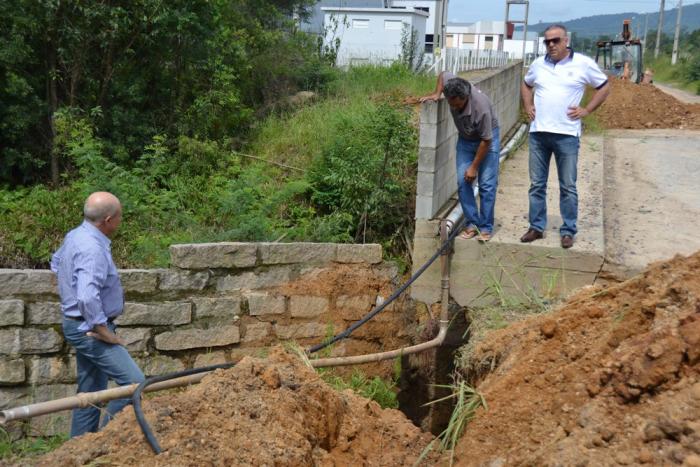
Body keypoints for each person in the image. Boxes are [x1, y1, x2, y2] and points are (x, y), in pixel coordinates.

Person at [51, 191, 144, 437]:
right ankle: (105, 439)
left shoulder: (76, 236)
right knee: (133, 383)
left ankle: (78, 448)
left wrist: (66, 288)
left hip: (77, 323)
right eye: (120, 216)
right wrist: (103, 331)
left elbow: (56, 262)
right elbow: (86, 296)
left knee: (91, 392)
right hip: (89, 329)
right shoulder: (92, 249)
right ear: (108, 220)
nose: (121, 220)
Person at [520, 24, 610, 249]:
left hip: (567, 136)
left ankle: (568, 230)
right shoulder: (538, 65)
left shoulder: (583, 64)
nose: (551, 45)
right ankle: (536, 227)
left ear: (566, 40)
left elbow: (604, 87)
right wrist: (528, 104)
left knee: (568, 185)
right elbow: (525, 83)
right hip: (539, 134)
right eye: (547, 41)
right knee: (537, 184)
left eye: (556, 40)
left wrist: (587, 110)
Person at [420, 72, 500, 242]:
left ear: (464, 98)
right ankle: (472, 224)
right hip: (465, 140)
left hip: (486, 140)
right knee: (463, 182)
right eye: (449, 102)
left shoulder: (481, 108)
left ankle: (485, 227)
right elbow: (443, 75)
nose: (452, 107)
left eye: (454, 104)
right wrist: (436, 93)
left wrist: (473, 167)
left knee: (486, 185)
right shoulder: (453, 86)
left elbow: (486, 141)